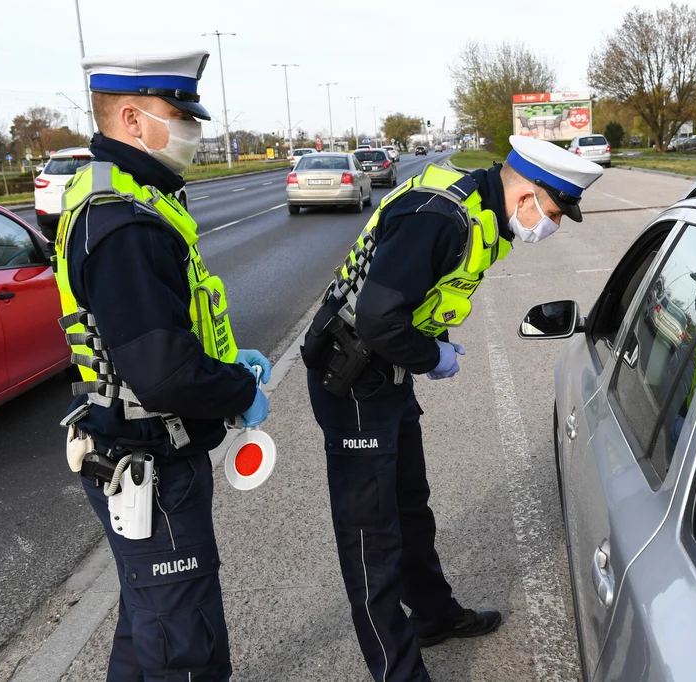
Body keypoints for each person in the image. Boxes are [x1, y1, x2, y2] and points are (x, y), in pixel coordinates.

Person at [301, 135, 603, 681]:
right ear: (527, 194)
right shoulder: (441, 217)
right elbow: (376, 318)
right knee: (372, 535)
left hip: (384, 371)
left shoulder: (478, 211)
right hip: (353, 379)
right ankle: (399, 672)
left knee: (410, 506)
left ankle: (434, 616)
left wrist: (424, 348)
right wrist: (430, 354)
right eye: (553, 213)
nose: (550, 226)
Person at [53, 51, 271, 681]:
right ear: (131, 118)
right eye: (179, 116)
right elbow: (164, 372)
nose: (193, 132)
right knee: (185, 643)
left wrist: (229, 359)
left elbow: (169, 330)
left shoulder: (118, 196)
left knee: (148, 617)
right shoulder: (126, 223)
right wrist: (237, 390)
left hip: (132, 446)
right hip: (151, 458)